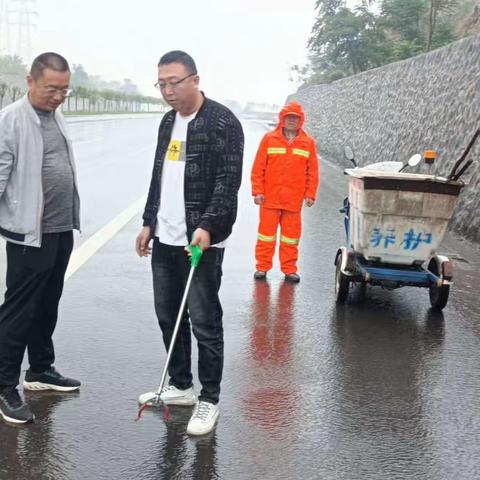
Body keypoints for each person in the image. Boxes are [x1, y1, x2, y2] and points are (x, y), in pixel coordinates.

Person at [136, 51, 244, 436]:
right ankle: (181, 385)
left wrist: (209, 227)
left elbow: (228, 182)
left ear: (195, 79)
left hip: (201, 241)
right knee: (169, 315)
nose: (167, 90)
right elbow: (158, 175)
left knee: (205, 322)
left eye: (174, 82)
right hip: (165, 238)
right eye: (161, 83)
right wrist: (149, 221)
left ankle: (209, 400)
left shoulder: (222, 122)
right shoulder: (168, 122)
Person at [0, 52, 81, 425]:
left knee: (48, 303)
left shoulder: (55, 114)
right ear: (30, 81)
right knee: (18, 311)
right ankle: (4, 386)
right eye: (52, 88)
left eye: (64, 90)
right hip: (29, 233)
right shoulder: (11, 120)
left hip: (59, 228)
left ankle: (40, 370)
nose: (58, 96)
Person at [251, 101, 319, 283]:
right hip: (269, 198)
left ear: (300, 120)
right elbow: (258, 167)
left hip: (293, 200)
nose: (291, 121)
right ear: (282, 118)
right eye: (288, 117)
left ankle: (289, 269)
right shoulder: (269, 139)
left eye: (295, 118)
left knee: (291, 238)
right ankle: (262, 267)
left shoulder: (308, 143)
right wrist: (257, 191)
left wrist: (310, 194)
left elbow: (312, 171)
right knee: (266, 236)